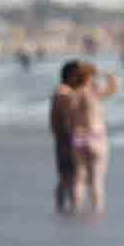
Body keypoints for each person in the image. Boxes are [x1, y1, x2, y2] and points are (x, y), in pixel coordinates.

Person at [69, 60, 119, 214]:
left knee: (80, 177)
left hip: (78, 137)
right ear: (90, 76)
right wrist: (109, 76)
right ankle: (97, 210)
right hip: (96, 136)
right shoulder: (93, 91)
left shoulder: (75, 93)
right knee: (97, 178)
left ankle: (76, 208)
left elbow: (71, 116)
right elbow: (113, 89)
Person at [49, 59, 82, 212]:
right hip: (67, 141)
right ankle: (70, 209)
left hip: (62, 140)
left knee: (65, 177)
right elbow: (67, 121)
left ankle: (63, 208)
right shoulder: (64, 94)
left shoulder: (60, 92)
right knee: (72, 177)